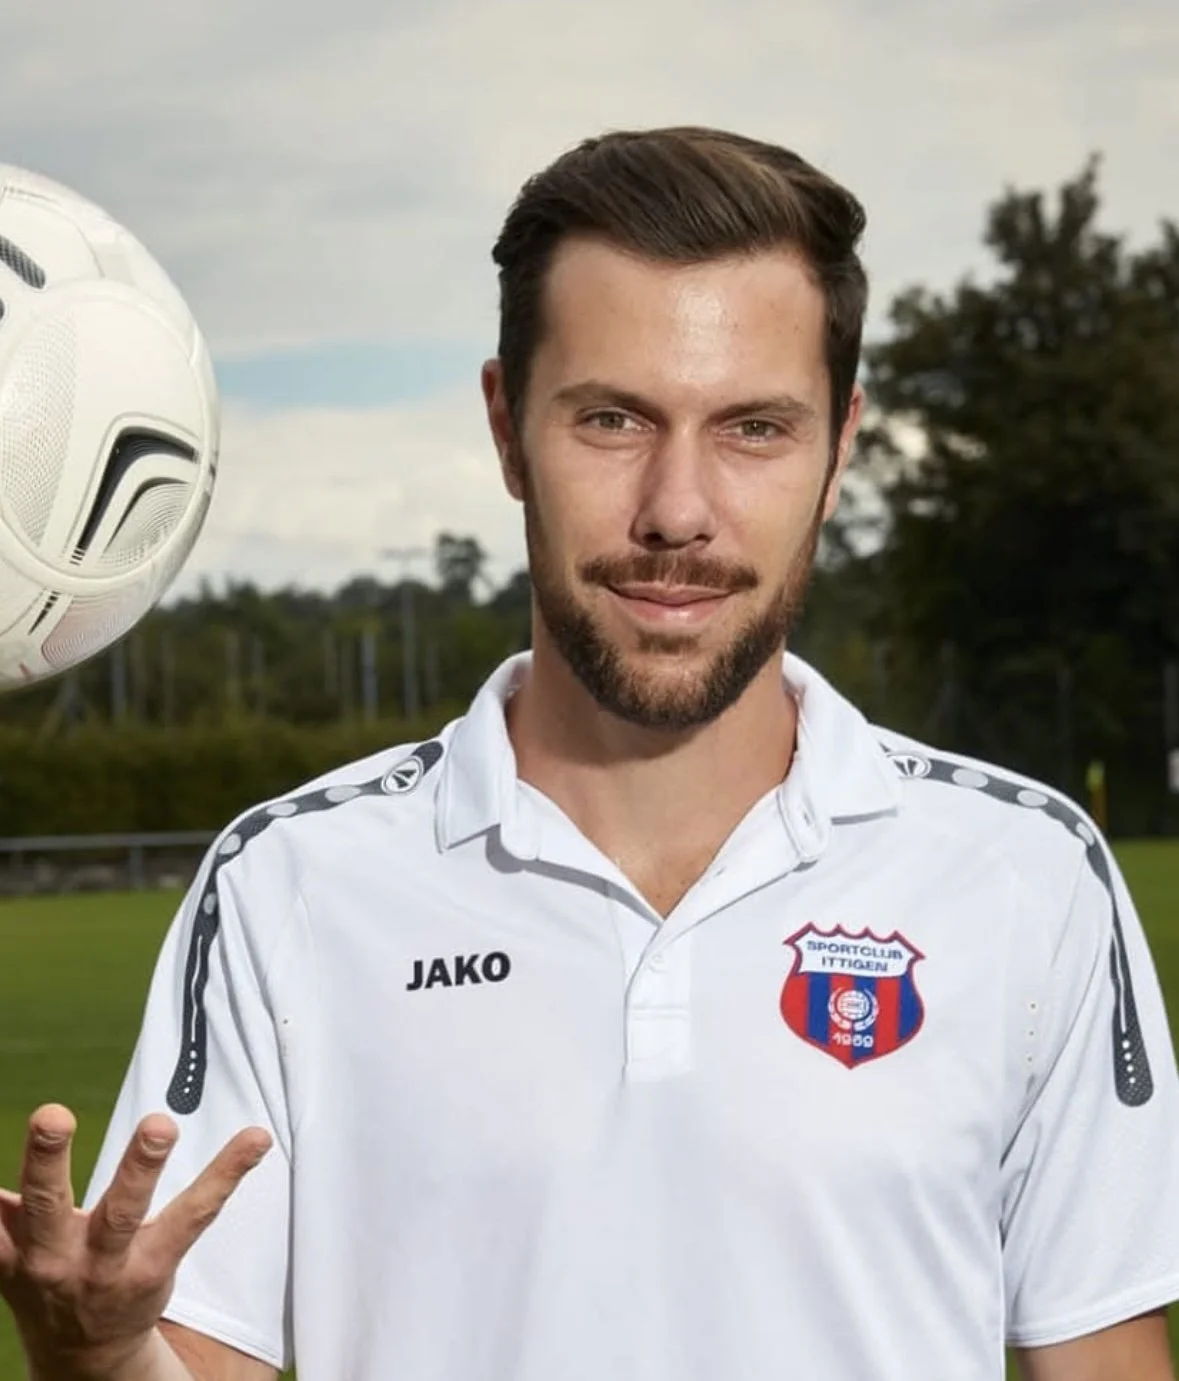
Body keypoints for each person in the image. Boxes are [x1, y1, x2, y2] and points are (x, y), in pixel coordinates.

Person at [1, 126, 1177, 1381]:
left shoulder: (1026, 876)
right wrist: (102, 1355)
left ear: (841, 447)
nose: (677, 509)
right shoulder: (290, 886)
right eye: (613, 419)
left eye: (755, 429)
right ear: (508, 428)